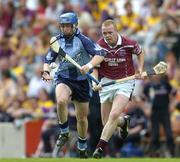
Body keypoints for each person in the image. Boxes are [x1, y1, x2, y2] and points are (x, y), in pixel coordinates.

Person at [41, 12, 105, 158]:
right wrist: (45, 71)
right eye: (62, 26)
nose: (65, 29)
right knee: (61, 100)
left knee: (81, 119)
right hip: (64, 77)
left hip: (82, 82)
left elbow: (100, 54)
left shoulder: (83, 40)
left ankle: (82, 146)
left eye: (67, 26)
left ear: (75, 26)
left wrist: (88, 65)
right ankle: (64, 131)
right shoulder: (57, 41)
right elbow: (48, 58)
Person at [81, 19, 145, 158]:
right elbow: (96, 67)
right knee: (107, 122)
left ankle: (99, 149)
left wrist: (140, 69)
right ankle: (124, 122)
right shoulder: (99, 46)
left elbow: (140, 52)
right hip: (106, 83)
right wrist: (95, 82)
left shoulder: (129, 43)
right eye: (104, 33)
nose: (107, 35)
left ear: (116, 31)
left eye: (110, 32)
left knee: (114, 115)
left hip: (125, 82)